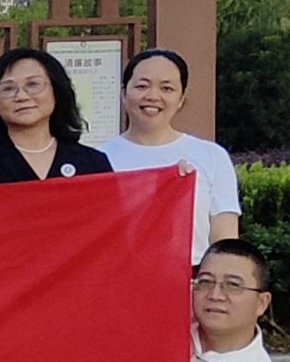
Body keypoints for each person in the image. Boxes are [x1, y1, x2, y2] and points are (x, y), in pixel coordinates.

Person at [100, 48, 241, 263]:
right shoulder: (98, 159)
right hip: (119, 276)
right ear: (123, 93)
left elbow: (225, 241)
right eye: (142, 86)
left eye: (167, 88)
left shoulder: (212, 156)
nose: (152, 96)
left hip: (191, 278)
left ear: (181, 98)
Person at [0, 48, 114, 188]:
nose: (21, 96)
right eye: (8, 88)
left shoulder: (93, 163)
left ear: (56, 91)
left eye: (33, 84)